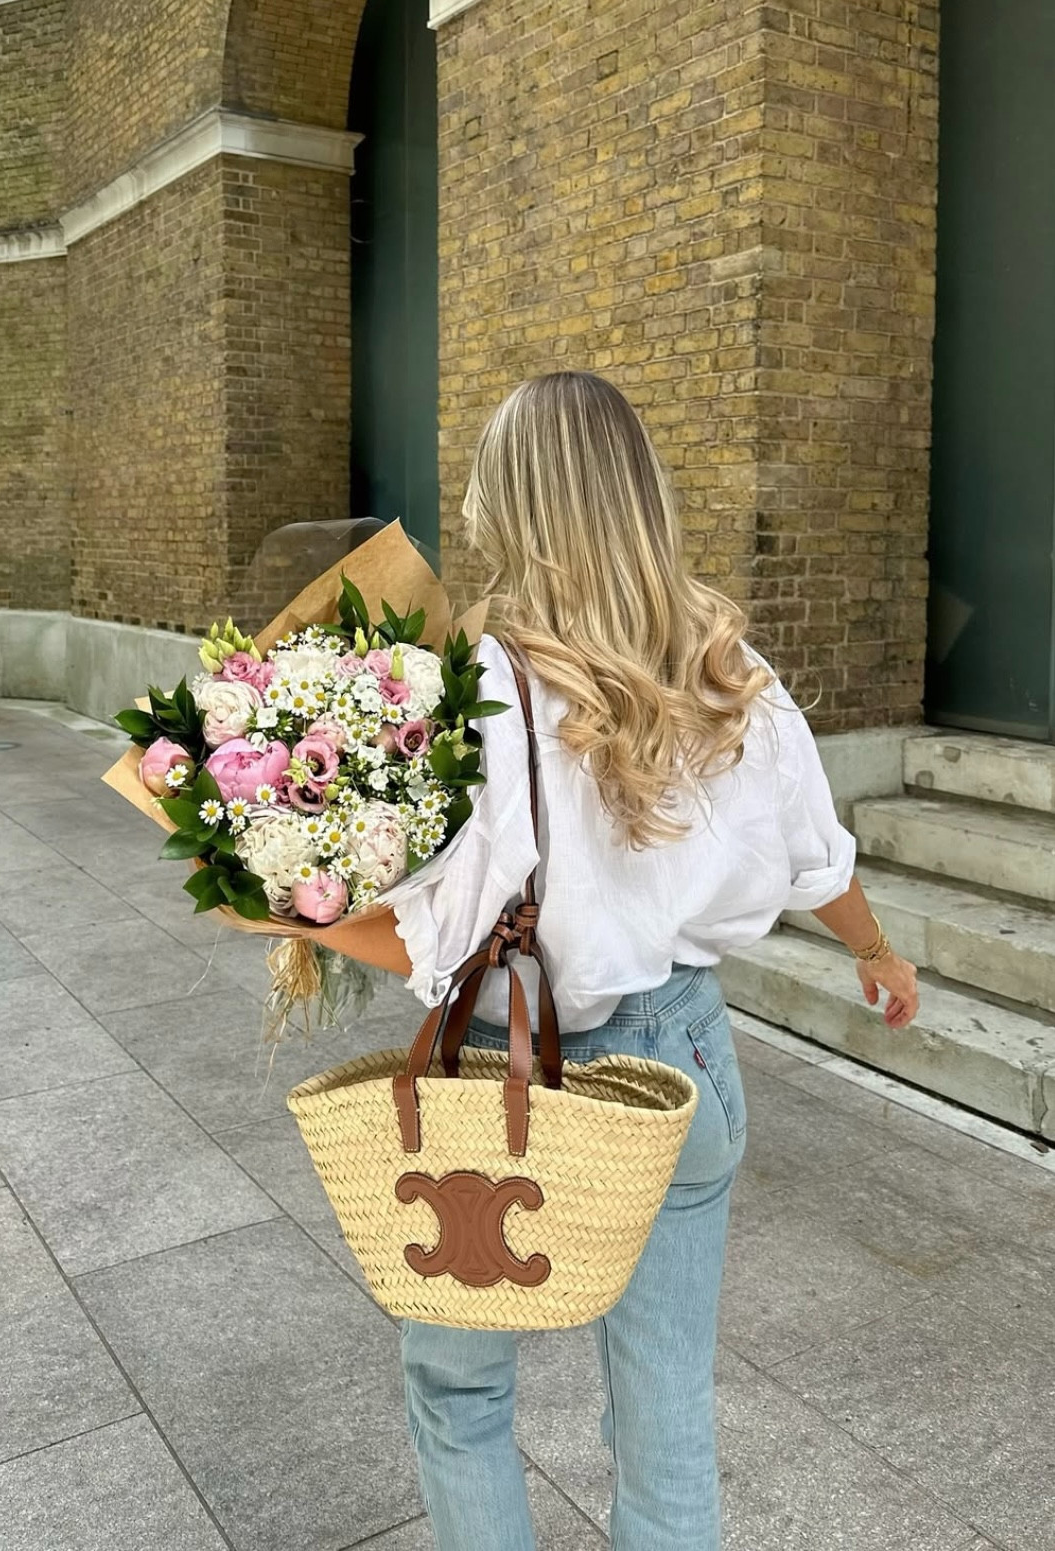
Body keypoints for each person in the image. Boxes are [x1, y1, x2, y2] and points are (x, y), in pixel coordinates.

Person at [386, 370, 920, 1551]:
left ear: (511, 503)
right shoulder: (734, 674)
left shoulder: (484, 692)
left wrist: (302, 914)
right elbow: (817, 861)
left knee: (463, 1388)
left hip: (508, 1078)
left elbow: (441, 933)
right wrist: (878, 955)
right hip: (685, 1057)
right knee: (664, 1394)